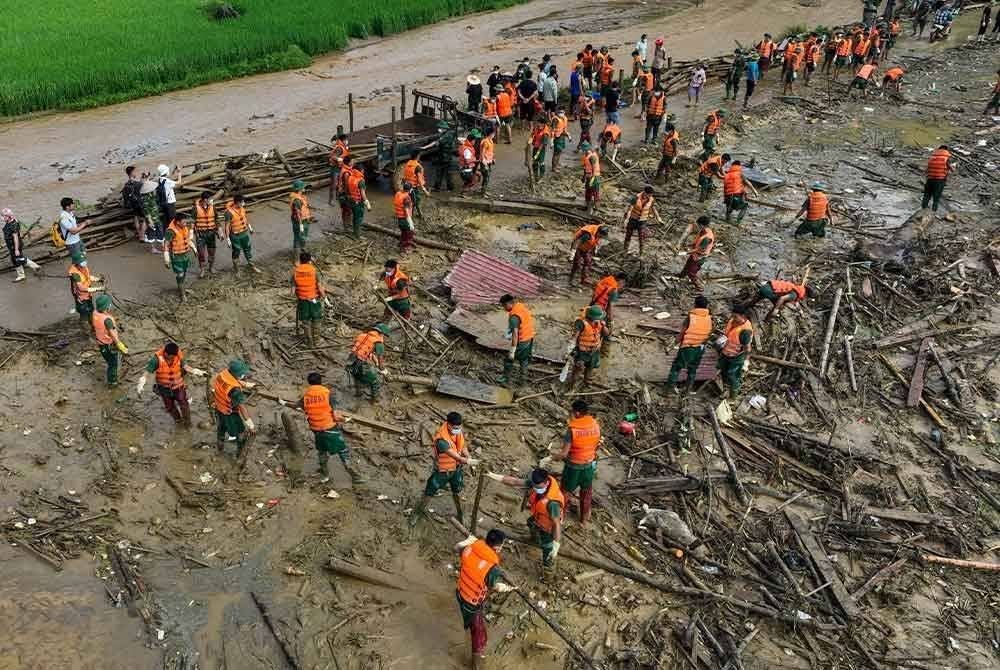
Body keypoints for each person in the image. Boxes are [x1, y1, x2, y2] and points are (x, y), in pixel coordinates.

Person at [453, 529, 512, 670]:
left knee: (476, 627)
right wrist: (503, 587)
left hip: (461, 593)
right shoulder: (492, 569)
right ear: (498, 547)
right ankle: (477, 663)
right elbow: (493, 586)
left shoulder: (469, 549)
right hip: (471, 602)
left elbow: (456, 548)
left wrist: (466, 541)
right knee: (477, 632)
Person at [485, 468, 565, 571]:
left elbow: (556, 524)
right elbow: (514, 481)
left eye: (538, 487)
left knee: (548, 549)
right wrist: (492, 475)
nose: (535, 489)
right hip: (538, 517)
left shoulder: (552, 503)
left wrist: (555, 546)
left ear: (546, 482)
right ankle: (534, 539)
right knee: (531, 523)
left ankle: (548, 571)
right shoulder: (537, 483)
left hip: (548, 527)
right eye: (534, 486)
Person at [293, 372, 364, 484]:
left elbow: (296, 406)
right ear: (320, 382)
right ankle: (356, 477)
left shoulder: (306, 397)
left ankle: (324, 472)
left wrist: (282, 402)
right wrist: (345, 420)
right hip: (329, 428)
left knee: (322, 451)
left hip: (316, 430)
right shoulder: (327, 393)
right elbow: (336, 416)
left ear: (309, 383)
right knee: (343, 452)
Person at [411, 411, 480, 526]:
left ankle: (460, 514)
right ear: (448, 424)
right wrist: (473, 462)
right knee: (430, 491)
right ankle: (417, 512)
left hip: (456, 470)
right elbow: (457, 457)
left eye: (459, 427)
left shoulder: (457, 431)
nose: (457, 429)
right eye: (455, 427)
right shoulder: (441, 440)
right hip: (442, 471)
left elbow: (463, 446)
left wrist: (468, 456)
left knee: (457, 491)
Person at [541, 399, 600, 524]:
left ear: (577, 413)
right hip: (589, 465)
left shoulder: (572, 430)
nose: (570, 413)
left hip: (573, 467)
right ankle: (584, 519)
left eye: (572, 411)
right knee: (586, 492)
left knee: (565, 493)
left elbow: (564, 454)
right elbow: (596, 445)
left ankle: (559, 518)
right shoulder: (594, 424)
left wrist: (552, 457)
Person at [136, 341, 206, 426]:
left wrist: (196, 371)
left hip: (178, 386)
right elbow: (147, 372)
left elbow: (186, 367)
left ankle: (187, 423)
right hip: (164, 388)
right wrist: (142, 381)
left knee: (184, 403)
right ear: (166, 353)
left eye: (174, 357)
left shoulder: (178, 354)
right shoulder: (156, 359)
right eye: (170, 357)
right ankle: (178, 421)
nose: (172, 358)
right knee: (170, 407)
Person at [667, 296, 712, 393]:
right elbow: (708, 334)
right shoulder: (709, 318)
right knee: (692, 370)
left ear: (695, 305)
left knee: (676, 367)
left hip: (688, 347)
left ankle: (669, 390)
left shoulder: (691, 317)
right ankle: (687, 390)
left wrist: (674, 344)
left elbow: (682, 333)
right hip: (700, 348)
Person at [212, 359, 255, 455]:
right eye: (242, 374)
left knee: (221, 427)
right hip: (229, 412)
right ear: (236, 374)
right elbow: (242, 407)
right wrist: (250, 425)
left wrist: (245, 384)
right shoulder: (235, 391)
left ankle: (220, 444)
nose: (244, 376)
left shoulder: (223, 374)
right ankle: (240, 452)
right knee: (241, 433)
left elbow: (229, 381)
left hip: (219, 407)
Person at [566, 305, 610, 389]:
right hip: (582, 352)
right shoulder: (581, 323)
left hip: (594, 351)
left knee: (590, 368)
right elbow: (574, 338)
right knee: (578, 369)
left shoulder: (600, 323)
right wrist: (570, 350)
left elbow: (606, 334)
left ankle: (587, 383)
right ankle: (572, 386)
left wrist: (604, 326)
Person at [91, 294, 128, 386]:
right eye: (109, 304)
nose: (110, 306)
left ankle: (112, 379)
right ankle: (112, 382)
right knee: (113, 364)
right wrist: (119, 344)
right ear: (106, 307)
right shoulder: (107, 320)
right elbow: (112, 334)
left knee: (109, 360)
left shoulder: (95, 313)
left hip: (100, 343)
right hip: (108, 344)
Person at [498, 294, 534, 386]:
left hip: (522, 340)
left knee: (509, 359)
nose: (504, 309)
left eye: (503, 306)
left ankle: (506, 379)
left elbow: (515, 335)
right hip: (529, 337)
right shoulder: (519, 306)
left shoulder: (514, 317)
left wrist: (512, 351)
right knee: (524, 360)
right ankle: (523, 382)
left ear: (507, 304)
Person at [716, 309, 752, 400]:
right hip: (725, 352)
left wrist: (746, 362)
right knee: (723, 371)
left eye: (736, 317)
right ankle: (725, 390)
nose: (733, 318)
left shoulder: (745, 331)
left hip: (736, 356)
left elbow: (747, 348)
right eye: (733, 316)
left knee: (733, 376)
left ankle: (733, 397)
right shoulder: (732, 321)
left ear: (743, 316)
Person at [347, 324, 390, 400]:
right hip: (361, 363)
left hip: (351, 360)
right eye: (384, 335)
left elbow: (365, 350)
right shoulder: (379, 343)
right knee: (375, 381)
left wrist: (375, 362)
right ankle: (375, 400)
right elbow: (381, 364)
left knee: (357, 376)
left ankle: (358, 393)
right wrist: (385, 371)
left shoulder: (362, 335)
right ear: (381, 333)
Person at [293, 252, 325, 346]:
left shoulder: (296, 272)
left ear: (301, 261)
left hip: (302, 301)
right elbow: (319, 287)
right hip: (314, 300)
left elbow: (294, 288)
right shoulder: (314, 271)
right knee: (316, 320)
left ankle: (309, 342)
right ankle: (317, 341)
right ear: (309, 261)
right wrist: (323, 295)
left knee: (306, 322)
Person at [67, 250, 103, 333]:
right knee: (84, 312)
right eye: (82, 263)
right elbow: (81, 288)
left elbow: (87, 276)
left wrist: (98, 279)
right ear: (76, 263)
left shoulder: (83, 267)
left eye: (84, 262)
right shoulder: (75, 274)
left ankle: (92, 324)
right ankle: (85, 329)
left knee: (91, 309)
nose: (84, 264)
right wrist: (98, 289)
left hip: (88, 294)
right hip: (81, 297)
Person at [744, 279, 811, 322]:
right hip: (769, 291)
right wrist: (776, 309)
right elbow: (782, 298)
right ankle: (767, 320)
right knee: (780, 306)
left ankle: (744, 307)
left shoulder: (798, 288)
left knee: (756, 299)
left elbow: (796, 302)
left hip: (766, 286)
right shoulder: (794, 295)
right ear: (806, 295)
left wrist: (800, 311)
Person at [162, 212, 194, 302]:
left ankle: (181, 287)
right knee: (180, 274)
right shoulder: (170, 231)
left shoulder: (184, 228)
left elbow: (187, 240)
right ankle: (182, 294)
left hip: (185, 254)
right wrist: (166, 258)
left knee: (184, 272)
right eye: (184, 222)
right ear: (178, 222)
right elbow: (166, 245)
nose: (185, 224)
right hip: (176, 256)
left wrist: (194, 249)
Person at [678, 215, 715, 290]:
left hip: (700, 258)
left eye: (698, 225)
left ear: (702, 225)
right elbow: (698, 242)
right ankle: (681, 275)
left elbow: (701, 249)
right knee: (688, 264)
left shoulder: (707, 238)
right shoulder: (703, 231)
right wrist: (690, 245)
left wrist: (686, 252)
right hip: (695, 254)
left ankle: (699, 287)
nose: (697, 226)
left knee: (692, 272)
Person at [3, 209, 40, 283]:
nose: (2, 218)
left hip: (15, 245)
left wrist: (16, 249)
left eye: (4, 216)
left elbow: (15, 238)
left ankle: (26, 272)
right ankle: (33, 268)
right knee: (16, 259)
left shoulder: (13, 225)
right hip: (12, 245)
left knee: (17, 259)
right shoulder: (10, 222)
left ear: (9, 216)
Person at [192, 191, 219, 278]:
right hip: (200, 234)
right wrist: (191, 234)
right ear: (205, 200)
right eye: (210, 199)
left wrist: (219, 231)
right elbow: (192, 221)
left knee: (212, 252)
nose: (212, 200)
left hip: (211, 233)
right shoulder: (195, 208)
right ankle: (202, 270)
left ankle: (211, 267)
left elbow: (216, 220)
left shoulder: (213, 207)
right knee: (201, 253)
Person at [623, 185, 655, 257]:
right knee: (628, 236)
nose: (649, 197)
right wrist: (626, 219)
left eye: (650, 195)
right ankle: (625, 251)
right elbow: (630, 209)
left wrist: (657, 217)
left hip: (642, 222)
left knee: (641, 238)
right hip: (633, 220)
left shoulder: (651, 199)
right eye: (648, 195)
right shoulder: (635, 197)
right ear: (645, 193)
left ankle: (641, 254)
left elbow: (652, 208)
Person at [922, 145, 954, 212]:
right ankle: (933, 212)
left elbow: (927, 169)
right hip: (940, 180)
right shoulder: (946, 158)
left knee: (927, 195)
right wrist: (952, 167)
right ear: (946, 150)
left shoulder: (932, 157)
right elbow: (952, 169)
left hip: (930, 179)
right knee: (936, 197)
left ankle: (923, 210)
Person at [343, 163, 370, 238]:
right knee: (359, 218)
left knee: (354, 216)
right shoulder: (361, 181)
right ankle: (357, 234)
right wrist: (367, 203)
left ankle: (355, 230)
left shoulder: (350, 177)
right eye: (363, 170)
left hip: (351, 200)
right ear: (361, 170)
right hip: (358, 202)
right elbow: (363, 194)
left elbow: (347, 189)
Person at [122, 166, 148, 243]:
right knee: (146, 219)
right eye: (135, 171)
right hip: (139, 204)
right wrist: (145, 178)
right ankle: (142, 236)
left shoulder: (126, 184)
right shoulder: (137, 184)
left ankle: (139, 234)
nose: (136, 173)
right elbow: (144, 187)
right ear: (132, 173)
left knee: (136, 217)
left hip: (132, 205)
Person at [290, 179, 315, 256]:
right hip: (299, 222)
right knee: (298, 238)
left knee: (303, 237)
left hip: (305, 220)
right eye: (303, 187)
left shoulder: (301, 197)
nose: (305, 188)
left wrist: (309, 216)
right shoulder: (297, 200)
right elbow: (297, 213)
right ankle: (296, 258)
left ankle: (303, 250)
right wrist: (300, 225)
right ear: (300, 189)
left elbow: (305, 208)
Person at [138, 174, 164, 245]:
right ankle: (154, 248)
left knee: (159, 231)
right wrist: (150, 221)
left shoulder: (151, 196)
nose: (155, 190)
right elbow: (147, 212)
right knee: (151, 233)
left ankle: (161, 246)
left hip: (156, 217)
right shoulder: (145, 200)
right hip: (152, 219)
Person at [155, 164, 182, 229]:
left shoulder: (160, 180)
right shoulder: (167, 181)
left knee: (166, 218)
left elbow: (169, 177)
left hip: (163, 202)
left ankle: (165, 232)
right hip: (170, 203)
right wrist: (179, 173)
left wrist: (174, 171)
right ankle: (172, 231)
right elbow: (179, 182)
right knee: (172, 219)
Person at [723, 160, 750, 224]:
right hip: (735, 196)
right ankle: (738, 222)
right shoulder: (740, 174)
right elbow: (746, 185)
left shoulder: (727, 175)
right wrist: (754, 192)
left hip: (727, 197)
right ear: (739, 166)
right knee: (745, 206)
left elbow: (725, 188)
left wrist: (725, 198)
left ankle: (727, 219)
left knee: (729, 205)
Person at [433, 121, 458, 189]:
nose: (439, 129)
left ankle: (437, 187)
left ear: (444, 128)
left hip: (444, 157)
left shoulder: (446, 136)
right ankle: (450, 187)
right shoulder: (448, 134)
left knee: (440, 172)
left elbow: (438, 143)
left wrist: (433, 143)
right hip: (447, 156)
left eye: (440, 128)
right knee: (447, 173)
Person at [327, 133, 350, 205]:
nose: (347, 141)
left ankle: (337, 197)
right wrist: (338, 159)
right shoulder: (339, 148)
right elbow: (333, 156)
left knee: (339, 183)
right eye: (346, 140)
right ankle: (331, 200)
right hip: (335, 168)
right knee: (334, 184)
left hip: (340, 167)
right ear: (343, 140)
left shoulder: (344, 147)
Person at [392, 184, 416, 252]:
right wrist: (410, 221)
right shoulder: (406, 198)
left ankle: (401, 243)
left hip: (399, 217)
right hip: (404, 218)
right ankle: (405, 248)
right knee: (408, 233)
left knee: (403, 231)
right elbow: (406, 210)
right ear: (410, 189)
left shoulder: (398, 193)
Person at [581, 142, 601, 214]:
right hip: (589, 177)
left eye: (584, 149)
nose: (583, 151)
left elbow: (593, 167)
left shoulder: (592, 156)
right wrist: (584, 176)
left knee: (595, 193)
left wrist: (592, 178)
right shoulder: (586, 156)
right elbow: (585, 167)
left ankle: (597, 210)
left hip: (594, 177)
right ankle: (588, 207)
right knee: (588, 192)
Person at [550, 108, 570, 173]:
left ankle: (557, 164)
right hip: (557, 137)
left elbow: (564, 129)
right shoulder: (555, 119)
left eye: (562, 112)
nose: (561, 113)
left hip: (562, 136)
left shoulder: (564, 118)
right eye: (560, 112)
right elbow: (552, 130)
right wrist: (551, 141)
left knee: (560, 151)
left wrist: (569, 136)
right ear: (557, 112)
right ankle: (554, 167)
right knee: (556, 153)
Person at [478, 125, 496, 196]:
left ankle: (484, 191)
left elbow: (490, 152)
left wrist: (493, 159)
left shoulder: (490, 141)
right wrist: (484, 162)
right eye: (493, 133)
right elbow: (482, 153)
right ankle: (483, 192)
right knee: (486, 177)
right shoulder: (485, 142)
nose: (494, 135)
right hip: (485, 162)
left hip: (489, 161)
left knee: (487, 177)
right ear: (490, 134)